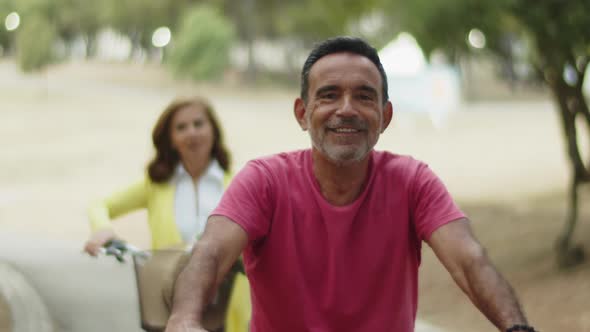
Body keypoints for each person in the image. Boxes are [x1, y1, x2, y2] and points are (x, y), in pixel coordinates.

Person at [165, 37, 537, 332]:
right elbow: (210, 253)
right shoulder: (264, 181)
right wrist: (183, 319)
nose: (347, 109)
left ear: (385, 116)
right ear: (302, 113)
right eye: (329, 95)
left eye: (364, 96)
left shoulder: (412, 181)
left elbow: (469, 261)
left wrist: (517, 327)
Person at [83, 96, 241, 332]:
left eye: (199, 124)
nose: (192, 133)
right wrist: (102, 229)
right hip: (167, 305)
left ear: (213, 131)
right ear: (171, 139)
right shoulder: (156, 185)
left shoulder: (237, 186)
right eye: (181, 127)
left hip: (225, 311)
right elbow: (99, 205)